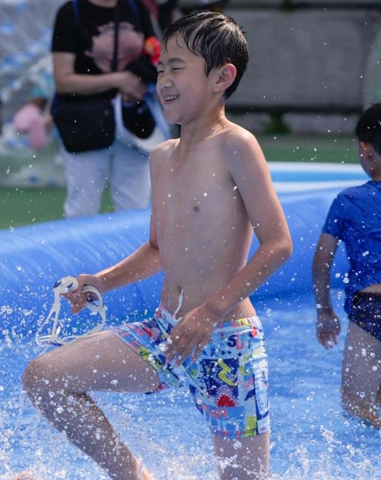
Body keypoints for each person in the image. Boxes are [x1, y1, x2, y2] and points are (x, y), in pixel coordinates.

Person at [21, 11, 292, 480]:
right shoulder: (163, 157)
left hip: (226, 341)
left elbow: (279, 244)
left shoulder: (237, 146)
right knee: (44, 377)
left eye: (177, 67)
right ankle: (133, 475)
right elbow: (158, 250)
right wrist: (100, 283)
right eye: (161, 66)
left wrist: (210, 312)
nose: (163, 79)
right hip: (165, 333)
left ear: (221, 76)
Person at [51, 0, 162, 218]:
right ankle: (79, 251)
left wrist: (141, 76)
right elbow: (63, 81)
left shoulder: (136, 7)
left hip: (134, 117)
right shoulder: (70, 12)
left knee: (136, 208)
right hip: (86, 122)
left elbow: (156, 55)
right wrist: (119, 80)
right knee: (82, 207)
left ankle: (132, 252)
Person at [312, 102, 381, 428]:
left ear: (366, 150)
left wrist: (325, 311)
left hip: (372, 308)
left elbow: (321, 261)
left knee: (357, 407)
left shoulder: (349, 200)